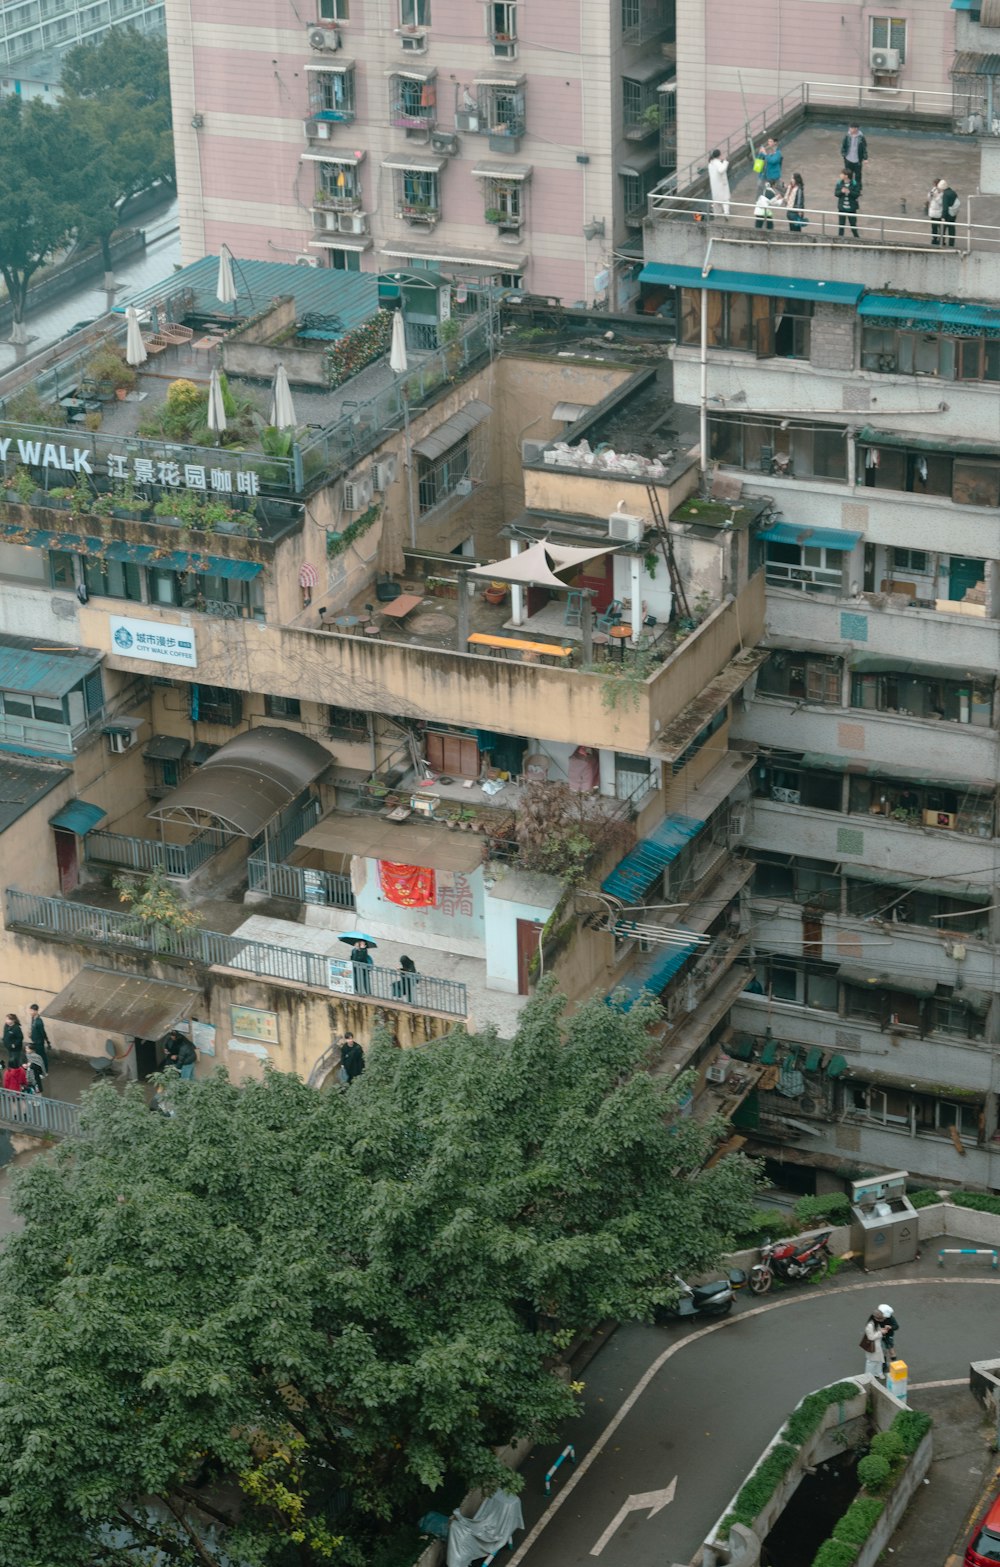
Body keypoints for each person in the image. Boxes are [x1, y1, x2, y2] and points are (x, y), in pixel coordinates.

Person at [841, 123, 868, 191]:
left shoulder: (861, 137)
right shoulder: (847, 136)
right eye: (850, 128)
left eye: (851, 128)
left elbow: (864, 148)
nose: (850, 129)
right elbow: (843, 145)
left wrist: (865, 158)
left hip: (857, 160)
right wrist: (843, 154)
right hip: (848, 159)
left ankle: (857, 189)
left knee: (858, 176)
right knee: (848, 175)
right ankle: (848, 187)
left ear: (856, 129)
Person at [860, 1309, 887, 1380]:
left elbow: (877, 1332)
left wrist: (881, 1331)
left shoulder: (875, 1323)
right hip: (873, 1346)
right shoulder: (870, 1325)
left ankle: (878, 1373)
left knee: (879, 1360)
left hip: (877, 1345)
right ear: (875, 1318)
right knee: (871, 1361)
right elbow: (871, 1337)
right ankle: (868, 1376)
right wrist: (881, 1333)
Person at [835, 170, 860, 239]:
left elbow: (857, 194)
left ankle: (857, 238)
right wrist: (841, 191)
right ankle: (840, 238)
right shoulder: (839, 183)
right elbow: (836, 193)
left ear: (846, 176)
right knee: (841, 225)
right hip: (842, 208)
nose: (840, 175)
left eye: (842, 174)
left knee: (853, 224)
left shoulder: (854, 184)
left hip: (851, 208)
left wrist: (849, 192)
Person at [708, 149, 731, 217]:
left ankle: (716, 214)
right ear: (719, 155)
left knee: (716, 200)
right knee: (725, 199)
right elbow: (721, 170)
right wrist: (725, 162)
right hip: (721, 184)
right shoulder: (718, 163)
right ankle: (726, 213)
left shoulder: (710, 163)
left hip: (714, 185)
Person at [28, 1003, 50, 1072]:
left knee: (42, 1056)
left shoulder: (39, 1022)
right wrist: (31, 1033)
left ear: (36, 1011)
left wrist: (47, 1041)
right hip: (35, 1040)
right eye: (30, 1010)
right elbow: (33, 1027)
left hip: (39, 1042)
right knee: (37, 1056)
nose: (30, 1012)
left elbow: (43, 1032)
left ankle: (45, 1070)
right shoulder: (33, 1018)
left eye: (32, 1011)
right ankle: (39, 1068)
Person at [878, 1303, 899, 1371]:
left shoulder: (891, 1318)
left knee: (891, 1349)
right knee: (883, 1350)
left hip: (888, 1335)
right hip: (880, 1335)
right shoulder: (877, 1317)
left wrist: (890, 1327)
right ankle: (884, 1365)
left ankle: (895, 1363)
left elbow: (896, 1326)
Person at [939, 179, 960, 247]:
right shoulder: (953, 192)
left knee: (942, 229)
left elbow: (945, 208)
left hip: (948, 215)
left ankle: (942, 243)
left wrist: (943, 217)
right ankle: (951, 243)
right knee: (951, 229)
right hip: (953, 213)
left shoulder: (945, 195)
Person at [927, 179, 944, 246]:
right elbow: (929, 199)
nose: (935, 186)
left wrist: (936, 197)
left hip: (939, 212)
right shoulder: (933, 189)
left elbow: (941, 203)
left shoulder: (942, 192)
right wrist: (930, 195)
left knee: (941, 228)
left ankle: (941, 240)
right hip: (933, 212)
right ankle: (934, 239)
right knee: (934, 227)